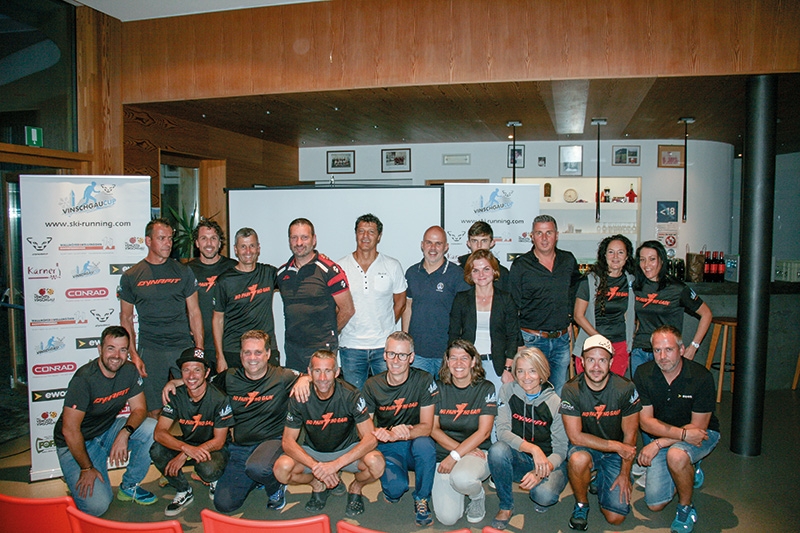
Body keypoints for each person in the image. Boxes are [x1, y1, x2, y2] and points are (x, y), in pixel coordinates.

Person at [160, 330, 311, 513]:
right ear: (240, 355)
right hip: (240, 446)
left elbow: (316, 377)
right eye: (247, 352)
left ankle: (275, 486)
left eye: (258, 352)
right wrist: (175, 383)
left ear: (268, 354)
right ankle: (256, 478)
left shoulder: (282, 377)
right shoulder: (230, 377)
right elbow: (200, 380)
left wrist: (305, 379)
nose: (252, 357)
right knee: (224, 504)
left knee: (258, 467)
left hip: (273, 440)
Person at [54, 326, 157, 516]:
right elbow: (70, 431)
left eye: (123, 349)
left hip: (106, 431)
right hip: (76, 443)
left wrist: (124, 433)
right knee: (98, 507)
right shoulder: (84, 379)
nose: (117, 355)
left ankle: (129, 485)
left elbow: (140, 409)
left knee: (152, 429)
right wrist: (86, 468)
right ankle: (76, 470)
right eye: (111, 348)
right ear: (99, 349)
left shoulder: (129, 370)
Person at [274, 350, 385, 517]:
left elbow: (370, 439)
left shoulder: (351, 394)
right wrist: (316, 468)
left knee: (377, 464)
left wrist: (336, 465)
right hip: (314, 452)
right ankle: (317, 484)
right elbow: (288, 441)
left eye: (328, 371)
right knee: (281, 470)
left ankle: (356, 488)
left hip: (346, 450)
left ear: (337, 372)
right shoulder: (300, 396)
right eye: (317, 371)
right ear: (309, 372)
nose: (323, 378)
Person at [633, 325, 720, 533]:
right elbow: (645, 422)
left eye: (669, 350)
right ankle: (688, 470)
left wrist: (658, 443)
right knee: (655, 504)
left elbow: (698, 428)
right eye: (657, 350)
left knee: (677, 455)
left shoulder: (701, 377)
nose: (662, 356)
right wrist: (678, 435)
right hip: (675, 434)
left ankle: (685, 508)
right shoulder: (643, 373)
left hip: (702, 434)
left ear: (681, 349)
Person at [119, 218, 203, 415]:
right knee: (153, 409)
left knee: (192, 404)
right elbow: (126, 319)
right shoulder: (132, 276)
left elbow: (194, 312)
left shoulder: (183, 271)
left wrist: (198, 350)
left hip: (181, 346)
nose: (168, 243)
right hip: (151, 349)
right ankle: (156, 445)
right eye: (161, 238)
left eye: (170, 238)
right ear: (148, 241)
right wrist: (134, 354)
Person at [559, 334, 641, 531]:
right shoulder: (571, 390)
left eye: (602, 360)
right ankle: (581, 504)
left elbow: (630, 436)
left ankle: (600, 477)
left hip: (616, 455)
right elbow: (575, 436)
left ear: (611, 362)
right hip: (587, 448)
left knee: (616, 518)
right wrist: (615, 445)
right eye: (591, 360)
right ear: (581, 362)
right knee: (578, 459)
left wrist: (624, 473)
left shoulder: (625, 388)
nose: (596, 367)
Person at [362, 331, 438, 526]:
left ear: (411, 358)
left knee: (426, 445)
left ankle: (422, 497)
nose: (396, 360)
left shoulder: (424, 379)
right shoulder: (372, 384)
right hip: (389, 446)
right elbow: (365, 427)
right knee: (396, 490)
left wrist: (404, 432)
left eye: (402, 355)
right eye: (391, 354)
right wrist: (380, 433)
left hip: (414, 443)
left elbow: (427, 427)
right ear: (384, 355)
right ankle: (395, 483)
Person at [487, 347, 568, 530]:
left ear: (542, 373)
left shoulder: (555, 402)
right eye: (521, 371)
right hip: (522, 456)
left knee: (544, 497)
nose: (526, 377)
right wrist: (533, 449)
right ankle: (506, 506)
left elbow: (562, 449)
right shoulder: (507, 391)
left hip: (549, 461)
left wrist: (541, 470)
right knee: (497, 450)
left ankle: (542, 485)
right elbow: (502, 432)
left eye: (532, 370)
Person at [151, 348, 233, 516]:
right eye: (186, 370)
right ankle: (183, 490)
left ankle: (214, 480)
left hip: (214, 447)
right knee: (157, 450)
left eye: (197, 369)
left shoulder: (219, 398)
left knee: (208, 469)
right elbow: (159, 432)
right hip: (189, 443)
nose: (191, 375)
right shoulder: (175, 395)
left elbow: (219, 441)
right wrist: (186, 449)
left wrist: (184, 454)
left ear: (207, 372)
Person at [509, 215, 581, 394]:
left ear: (556, 235)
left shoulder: (568, 260)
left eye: (548, 232)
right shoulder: (521, 265)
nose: (544, 238)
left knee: (557, 395)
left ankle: (556, 424)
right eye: (539, 233)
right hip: (531, 340)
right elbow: (512, 308)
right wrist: (518, 343)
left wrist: (570, 318)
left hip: (561, 341)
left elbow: (575, 291)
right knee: (531, 392)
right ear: (532, 236)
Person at [430, 339, 497, 526]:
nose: (458, 364)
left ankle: (477, 496)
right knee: (448, 518)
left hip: (477, 452)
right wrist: (457, 453)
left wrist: (457, 455)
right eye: (453, 358)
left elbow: (484, 432)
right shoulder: (437, 387)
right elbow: (433, 429)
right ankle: (460, 487)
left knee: (462, 479)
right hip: (445, 455)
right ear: (447, 361)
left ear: (473, 361)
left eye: (464, 358)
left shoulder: (486, 388)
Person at [338, 214, 407, 389]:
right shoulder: (340, 267)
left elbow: (400, 303)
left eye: (371, 232)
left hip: (384, 347)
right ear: (355, 234)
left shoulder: (392, 265)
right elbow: (334, 306)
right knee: (355, 402)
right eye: (361, 231)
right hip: (351, 347)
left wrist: (385, 326)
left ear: (379, 236)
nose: (365, 236)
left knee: (387, 398)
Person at [276, 218, 355, 372]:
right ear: (289, 240)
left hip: (322, 349)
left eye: (304, 237)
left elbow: (348, 309)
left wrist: (329, 334)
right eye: (294, 238)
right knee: (296, 393)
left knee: (322, 393)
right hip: (293, 349)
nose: (299, 243)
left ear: (314, 240)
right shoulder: (282, 273)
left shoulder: (330, 270)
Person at [631, 240, 713, 377]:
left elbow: (707, 314)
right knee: (640, 396)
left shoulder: (677, 289)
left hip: (667, 353)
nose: (646, 265)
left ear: (662, 260)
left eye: (652, 259)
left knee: (667, 395)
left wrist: (693, 347)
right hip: (639, 351)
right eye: (642, 260)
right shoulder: (637, 286)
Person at [449, 248, 521, 395]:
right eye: (475, 270)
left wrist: (508, 369)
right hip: (468, 365)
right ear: (470, 274)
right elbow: (453, 335)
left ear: (494, 271)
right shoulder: (461, 299)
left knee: (497, 412)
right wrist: (458, 364)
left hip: (498, 367)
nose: (481, 275)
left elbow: (513, 336)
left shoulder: (506, 299)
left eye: (486, 269)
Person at [403, 226, 469, 376]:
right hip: (418, 353)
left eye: (438, 243)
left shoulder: (457, 275)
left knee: (446, 398)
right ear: (422, 245)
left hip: (447, 354)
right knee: (420, 398)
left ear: (446, 247)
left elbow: (465, 313)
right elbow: (408, 306)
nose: (433, 248)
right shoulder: (412, 273)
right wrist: (406, 341)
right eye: (429, 243)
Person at [213, 227, 279, 373]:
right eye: (243, 246)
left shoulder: (269, 273)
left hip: (266, 349)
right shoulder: (224, 281)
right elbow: (217, 319)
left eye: (252, 246)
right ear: (235, 250)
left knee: (271, 394)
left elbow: (294, 273)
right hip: (234, 351)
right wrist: (220, 356)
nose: (248, 251)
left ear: (258, 248)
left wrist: (315, 258)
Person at [573, 235, 636, 377]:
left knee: (614, 392)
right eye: (611, 252)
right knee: (588, 392)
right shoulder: (590, 281)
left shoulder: (631, 281)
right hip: (592, 344)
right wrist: (600, 339)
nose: (615, 256)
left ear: (627, 257)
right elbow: (578, 315)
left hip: (619, 345)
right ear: (604, 255)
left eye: (620, 252)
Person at [187, 218, 236, 370]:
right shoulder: (186, 271)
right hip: (199, 345)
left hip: (231, 346)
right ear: (197, 243)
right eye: (204, 238)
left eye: (213, 238)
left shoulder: (233, 268)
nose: (209, 244)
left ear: (220, 243)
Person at [456, 221, 510, 292]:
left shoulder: (502, 273)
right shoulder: (458, 272)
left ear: (492, 243)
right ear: (468, 243)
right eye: (475, 241)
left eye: (484, 241)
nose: (479, 246)